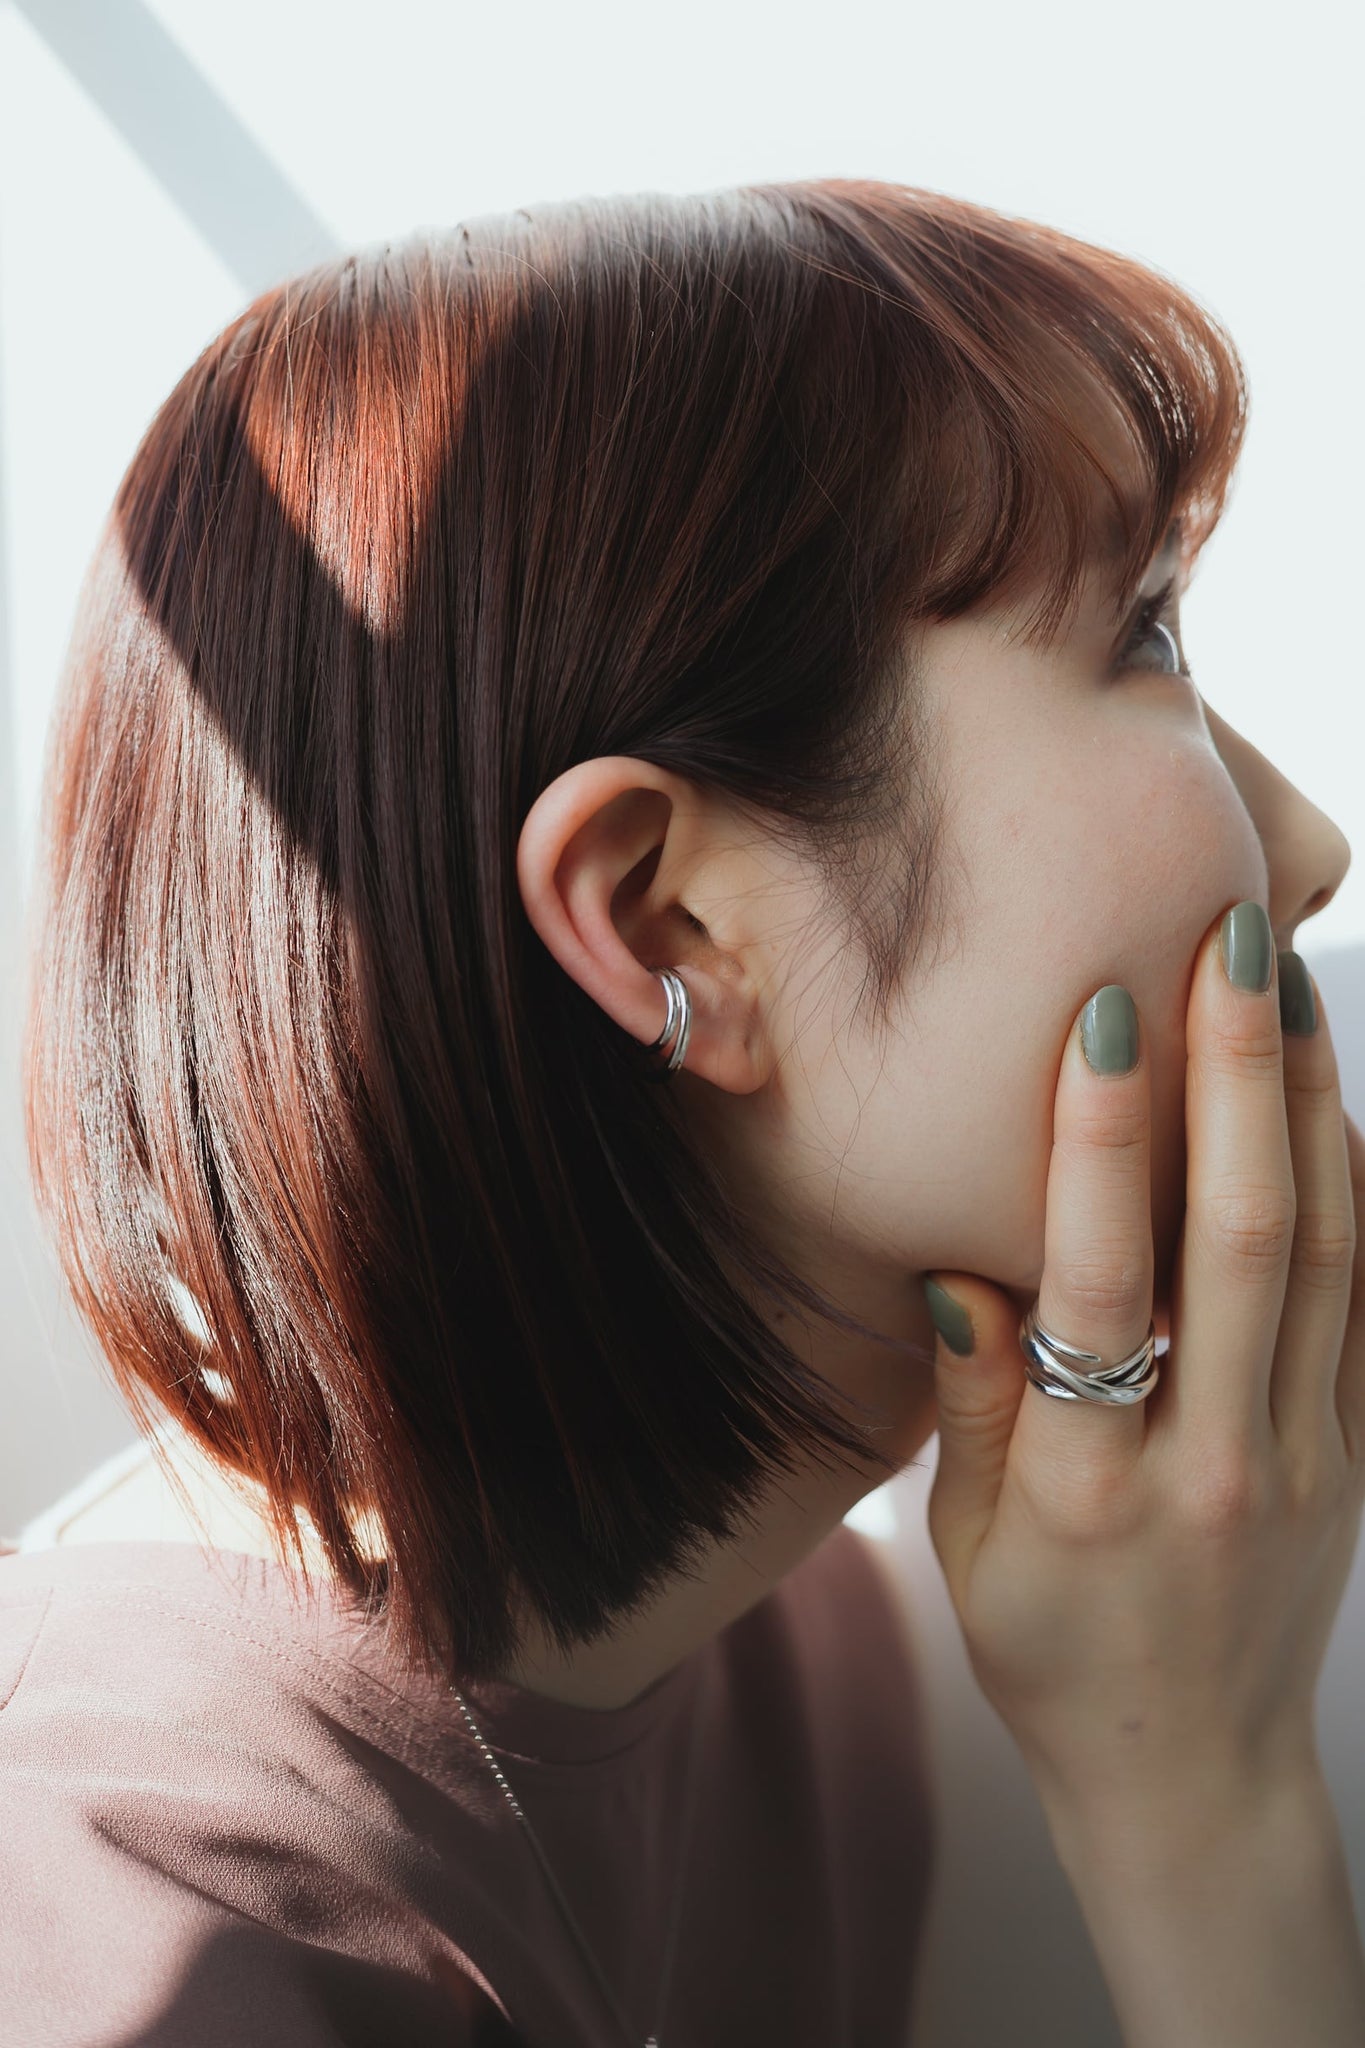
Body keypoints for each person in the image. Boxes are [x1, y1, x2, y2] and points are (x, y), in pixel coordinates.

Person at [2, 177, 1363, 2045]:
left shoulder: (814, 1672)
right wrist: (1204, 1808)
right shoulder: (129, 1935)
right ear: (670, 927)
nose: (1308, 846)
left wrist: (1187, 1778)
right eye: (1143, 641)